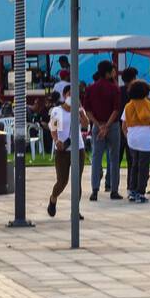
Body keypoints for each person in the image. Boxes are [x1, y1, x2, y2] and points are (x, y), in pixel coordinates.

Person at [84, 59, 123, 202]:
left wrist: (99, 125)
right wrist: (107, 126)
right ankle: (114, 190)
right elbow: (116, 109)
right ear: (108, 73)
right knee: (114, 158)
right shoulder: (115, 88)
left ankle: (94, 190)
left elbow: (87, 110)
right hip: (112, 126)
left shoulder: (90, 88)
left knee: (96, 158)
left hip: (96, 126)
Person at [46, 83, 87, 218]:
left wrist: (80, 111)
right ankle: (53, 198)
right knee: (62, 181)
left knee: (77, 180)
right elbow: (53, 128)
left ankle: (75, 210)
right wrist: (57, 140)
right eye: (70, 94)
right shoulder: (57, 111)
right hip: (63, 149)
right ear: (64, 96)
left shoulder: (79, 109)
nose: (72, 97)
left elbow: (86, 124)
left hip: (78, 148)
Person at [121, 80, 150, 204]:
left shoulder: (128, 106)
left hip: (132, 137)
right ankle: (140, 192)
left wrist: (128, 136)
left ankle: (132, 190)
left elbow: (123, 125)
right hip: (145, 137)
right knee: (144, 166)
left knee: (134, 165)